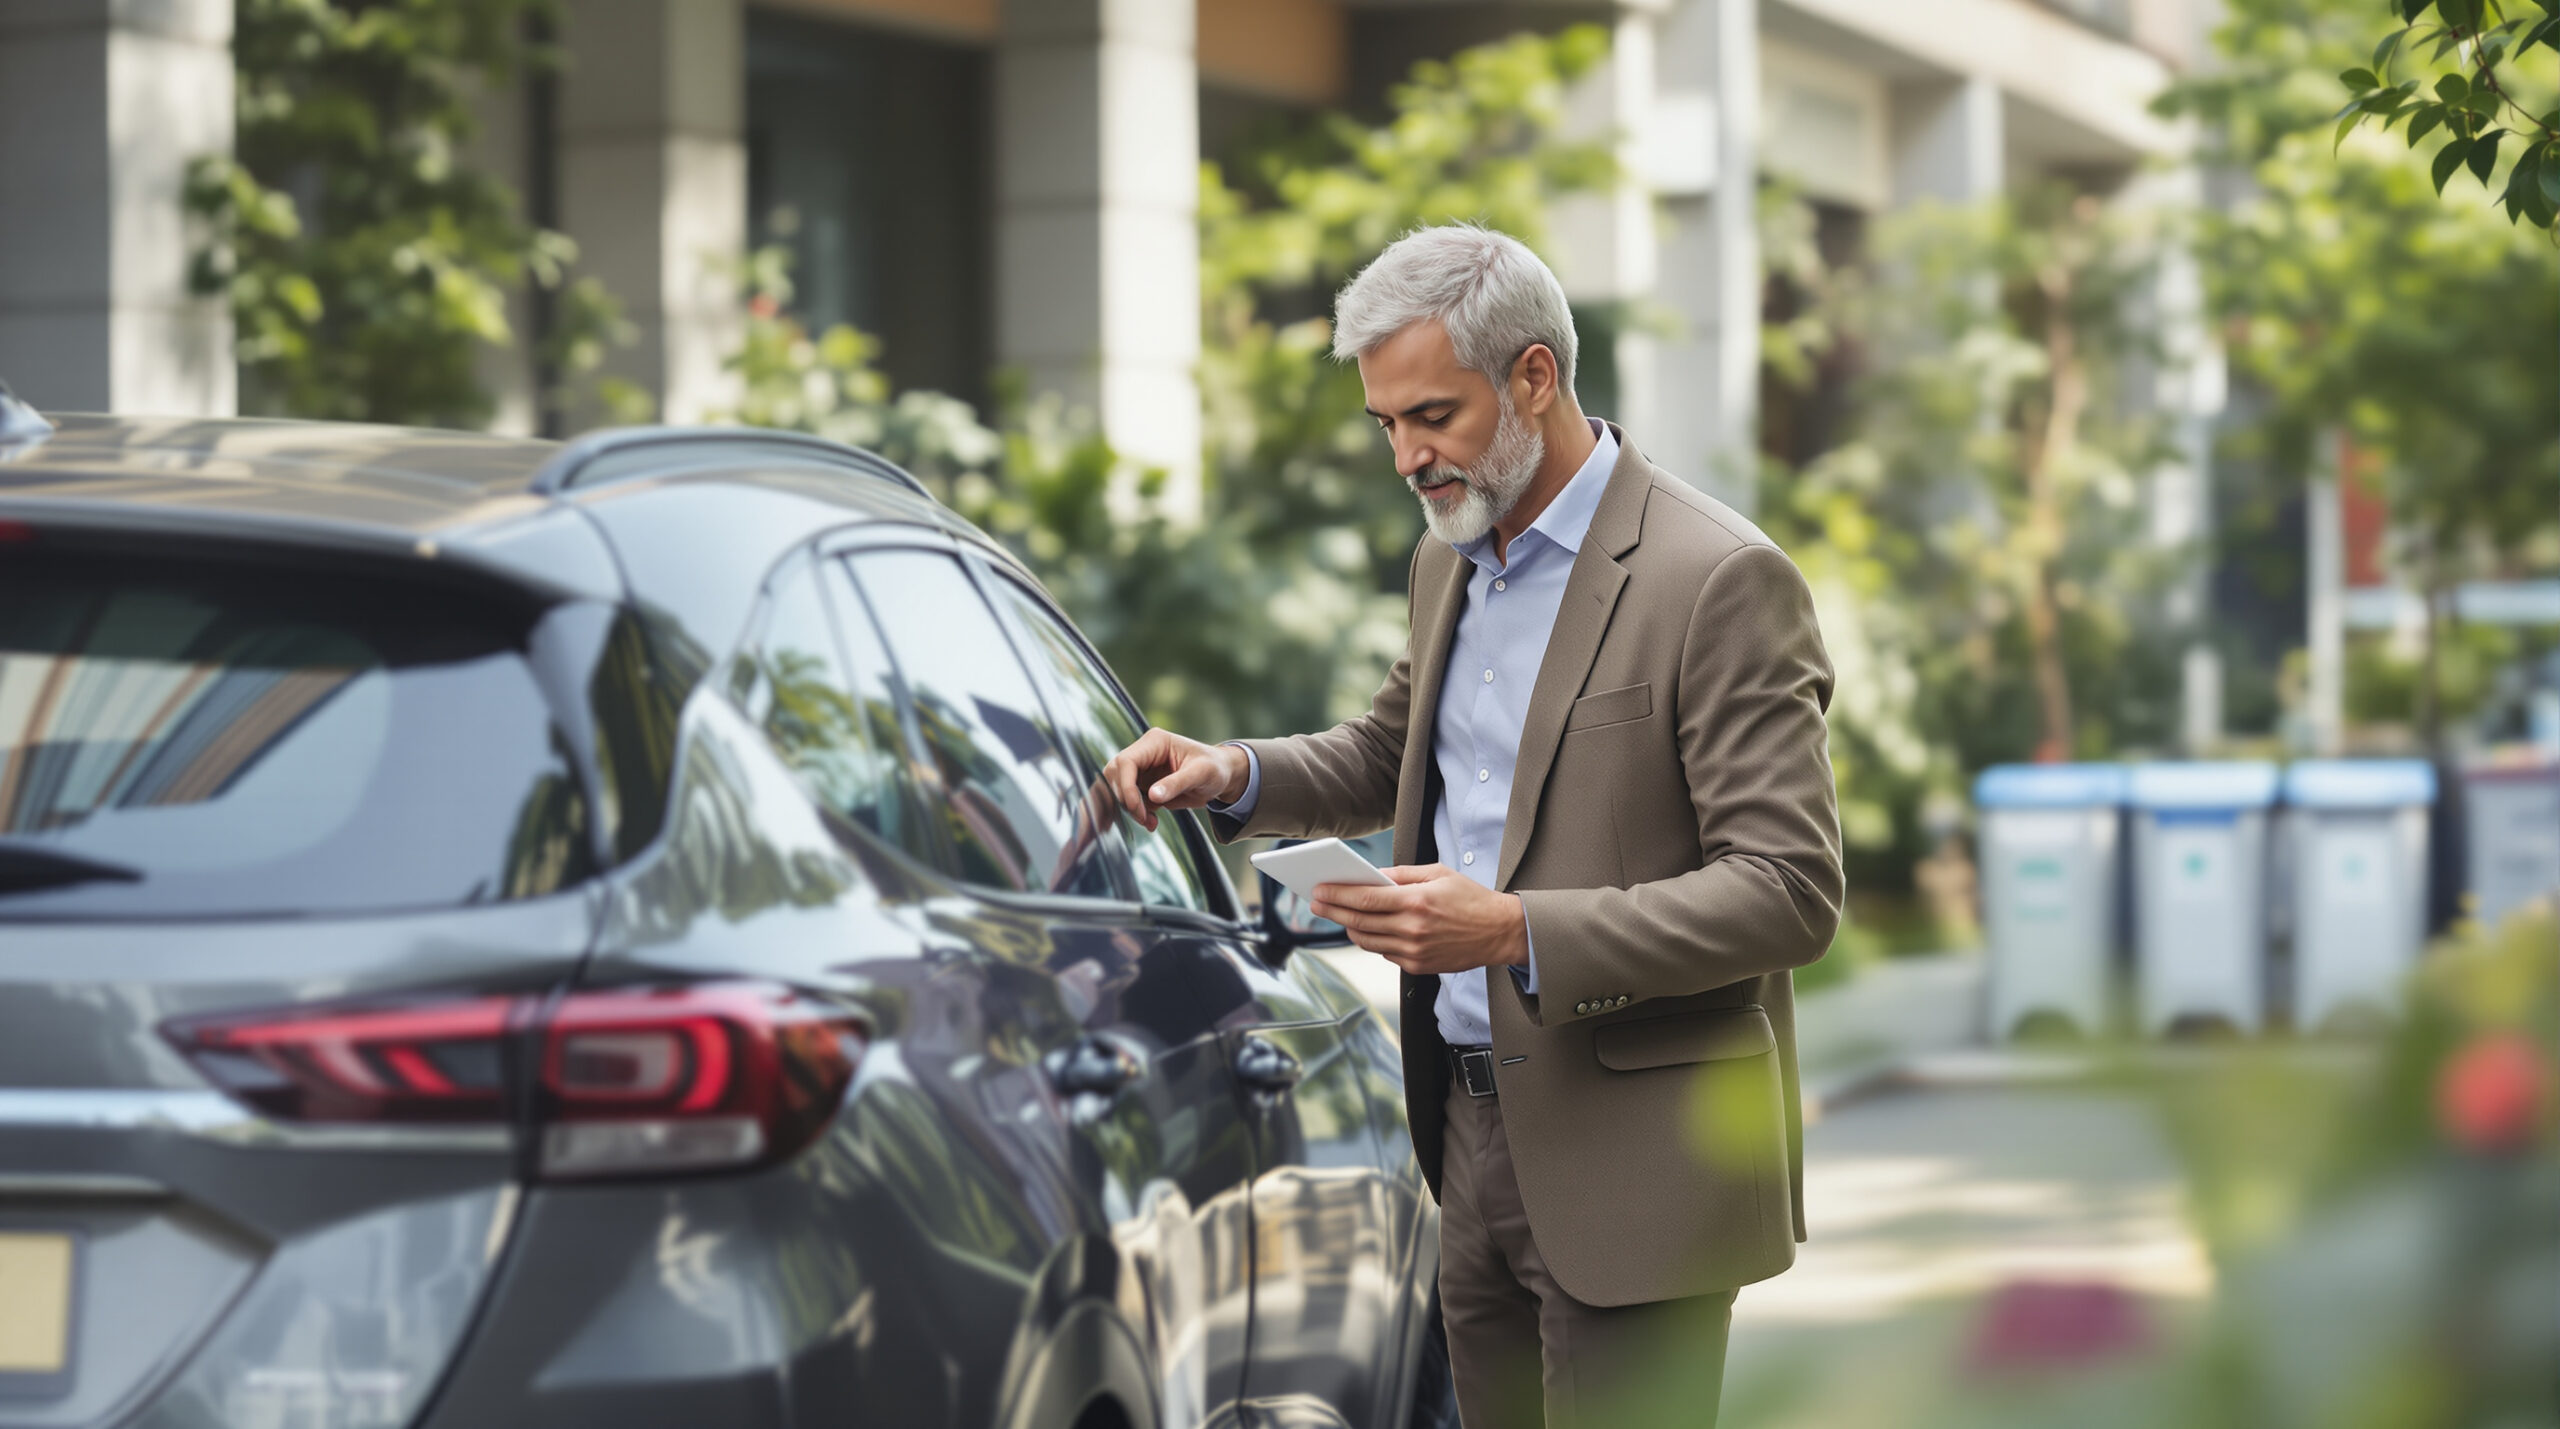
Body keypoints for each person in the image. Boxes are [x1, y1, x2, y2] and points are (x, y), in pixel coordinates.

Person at [1101, 224, 1841, 1429]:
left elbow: (1787, 891)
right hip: (1466, 1131)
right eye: (1386, 424)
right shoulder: (1447, 561)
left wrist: (1510, 931)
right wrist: (1230, 770)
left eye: (1432, 415)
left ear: (1535, 377)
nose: (1406, 454)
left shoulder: (1717, 579)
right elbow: (1392, 758)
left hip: (1638, 1162)